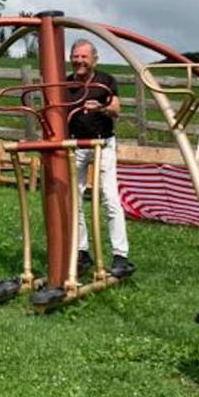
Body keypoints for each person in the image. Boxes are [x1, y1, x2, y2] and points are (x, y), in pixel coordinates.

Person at [66, 38, 133, 276]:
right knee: (74, 198)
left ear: (94, 59)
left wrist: (101, 109)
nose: (79, 61)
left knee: (109, 196)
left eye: (84, 57)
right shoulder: (65, 83)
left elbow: (116, 109)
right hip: (76, 144)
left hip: (102, 142)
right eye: (76, 56)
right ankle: (82, 251)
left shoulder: (105, 81)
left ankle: (120, 255)